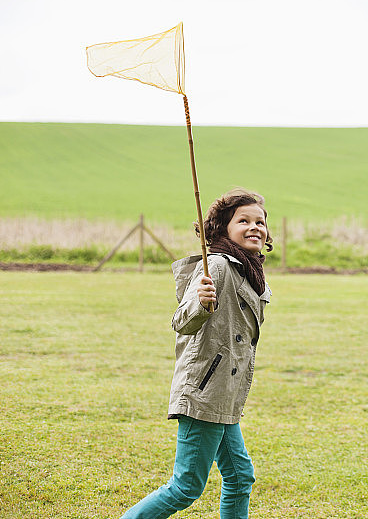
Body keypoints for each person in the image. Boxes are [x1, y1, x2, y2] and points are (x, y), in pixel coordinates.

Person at [121, 188, 273, 519]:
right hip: (204, 391)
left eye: (260, 222)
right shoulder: (217, 265)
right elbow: (182, 320)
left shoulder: (248, 270)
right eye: (243, 220)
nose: (254, 227)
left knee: (238, 476)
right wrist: (201, 303)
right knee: (186, 486)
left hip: (224, 393)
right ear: (223, 229)